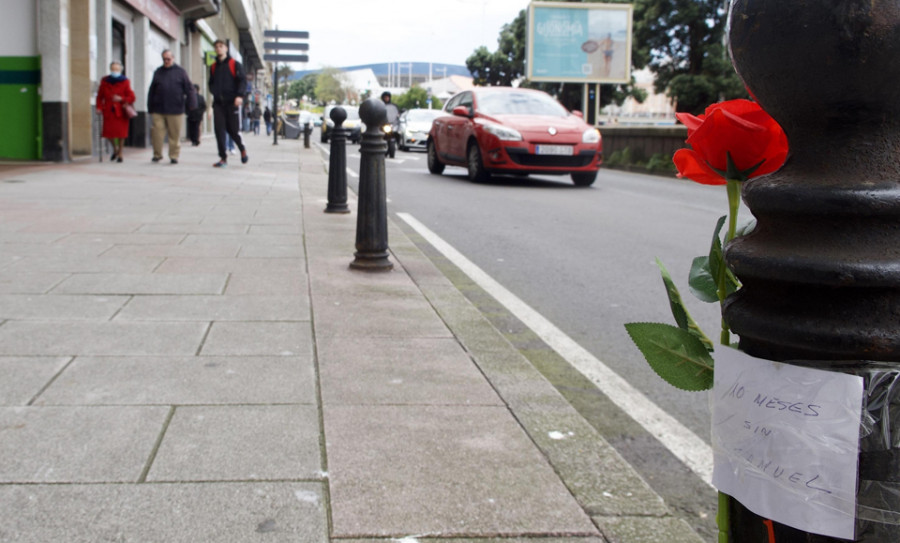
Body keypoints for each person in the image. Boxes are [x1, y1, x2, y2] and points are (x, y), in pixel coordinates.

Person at [147, 50, 196, 164]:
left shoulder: (181, 72)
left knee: (174, 135)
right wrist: (150, 106)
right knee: (157, 133)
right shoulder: (158, 72)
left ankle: (174, 156)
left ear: (173, 58)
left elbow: (189, 89)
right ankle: (157, 154)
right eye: (164, 59)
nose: (166, 61)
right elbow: (152, 90)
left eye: (168, 59)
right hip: (158, 109)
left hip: (176, 109)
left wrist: (192, 103)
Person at [208, 39, 248, 167]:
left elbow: (242, 81)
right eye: (216, 47)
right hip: (219, 103)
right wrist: (214, 92)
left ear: (226, 48)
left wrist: (239, 95)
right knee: (219, 130)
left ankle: (242, 148)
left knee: (233, 130)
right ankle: (223, 158)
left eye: (221, 46)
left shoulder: (234, 64)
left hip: (232, 103)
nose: (219, 48)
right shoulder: (213, 67)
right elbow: (211, 83)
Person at [96, 61, 135, 163]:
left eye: (117, 69)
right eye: (113, 69)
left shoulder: (125, 81)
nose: (115, 71)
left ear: (120, 70)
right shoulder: (105, 81)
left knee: (121, 134)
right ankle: (115, 149)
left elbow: (132, 97)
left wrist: (121, 98)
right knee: (108, 133)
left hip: (121, 111)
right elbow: (100, 96)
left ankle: (120, 152)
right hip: (108, 110)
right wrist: (99, 107)